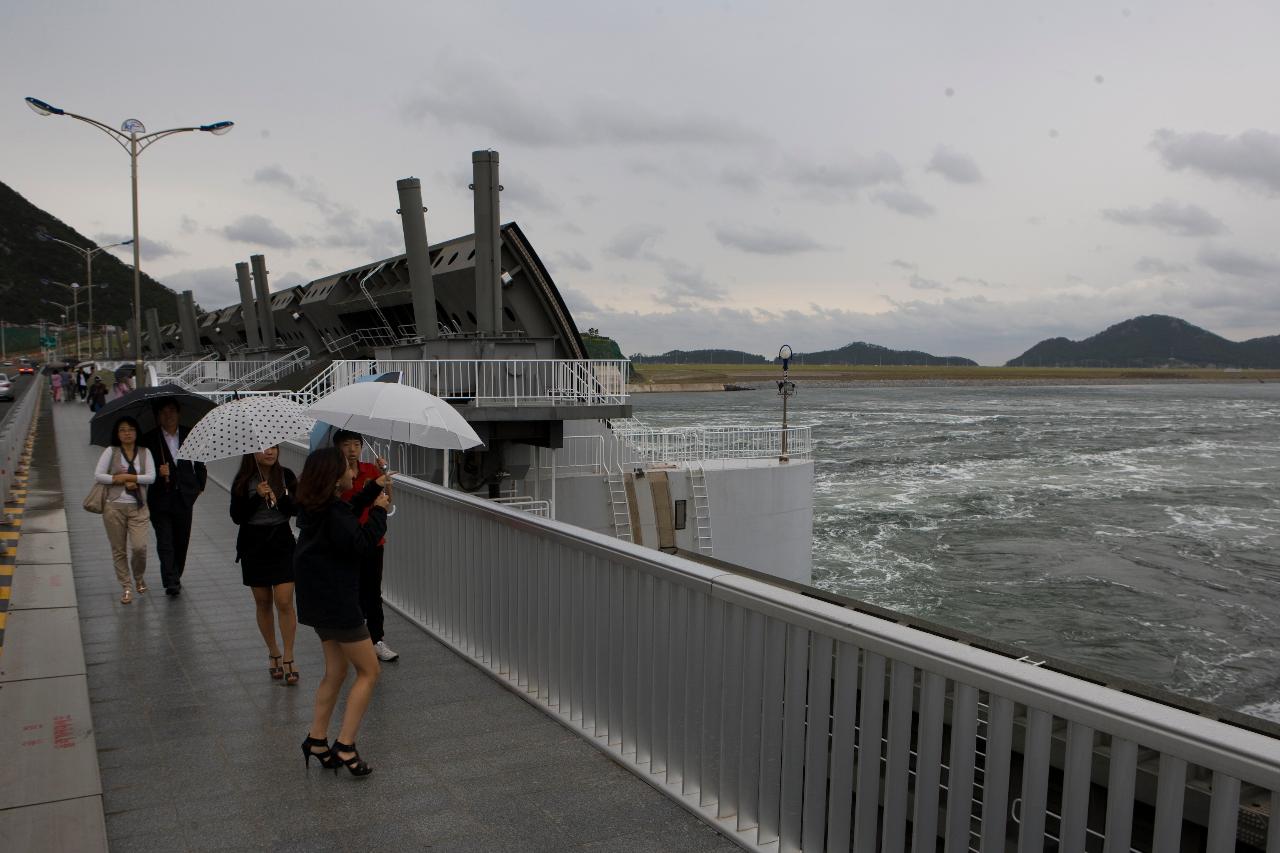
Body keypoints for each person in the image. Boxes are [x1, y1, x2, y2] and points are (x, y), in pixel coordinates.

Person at [295, 447, 390, 777]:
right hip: (337, 602)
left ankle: (317, 739)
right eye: (349, 468)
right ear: (335, 478)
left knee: (336, 671)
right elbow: (361, 545)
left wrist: (373, 489)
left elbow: (347, 516)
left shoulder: (317, 507)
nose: (354, 471)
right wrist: (379, 512)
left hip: (317, 602)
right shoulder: (333, 512)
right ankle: (346, 745)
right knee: (369, 671)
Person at [229, 446, 300, 684]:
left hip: (281, 543)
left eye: (273, 447)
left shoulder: (286, 476)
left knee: (284, 601)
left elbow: (297, 509)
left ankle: (289, 654)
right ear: (251, 452)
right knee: (263, 602)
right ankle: (274, 652)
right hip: (254, 546)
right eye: (262, 448)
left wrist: (279, 500)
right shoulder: (242, 480)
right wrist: (255, 497)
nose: (269, 452)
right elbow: (237, 516)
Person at [333, 430, 399, 662]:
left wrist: (384, 475)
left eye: (356, 444)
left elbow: (388, 498)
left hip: (372, 539)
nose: (352, 449)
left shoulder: (370, 470)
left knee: (372, 592)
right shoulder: (334, 474)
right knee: (350, 590)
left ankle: (376, 639)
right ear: (337, 448)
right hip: (346, 541)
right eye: (347, 445)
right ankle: (354, 639)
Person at [141, 399, 207, 596]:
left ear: (178, 413)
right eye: (163, 412)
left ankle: (176, 572)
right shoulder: (149, 439)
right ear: (157, 416)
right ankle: (170, 580)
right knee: (165, 540)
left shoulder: (190, 434)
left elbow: (200, 464)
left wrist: (199, 486)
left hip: (184, 497)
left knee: (181, 540)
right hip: (159, 498)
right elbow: (142, 467)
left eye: (171, 411)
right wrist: (158, 473)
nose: (168, 415)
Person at [94, 416, 156, 604]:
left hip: (139, 507)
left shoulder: (145, 452)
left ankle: (138, 577)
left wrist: (131, 477)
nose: (127, 433)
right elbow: (98, 475)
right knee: (118, 549)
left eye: (130, 429)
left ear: (136, 432)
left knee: (139, 547)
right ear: (117, 434)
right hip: (114, 508)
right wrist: (117, 479)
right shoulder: (111, 452)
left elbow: (151, 477)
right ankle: (126, 586)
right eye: (122, 430)